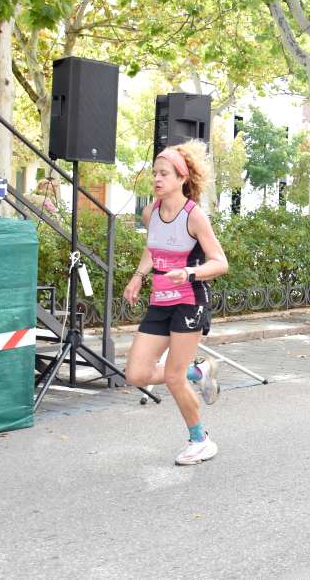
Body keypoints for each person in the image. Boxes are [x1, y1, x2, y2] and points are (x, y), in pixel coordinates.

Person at [123, 142, 228, 466]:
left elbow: (220, 262)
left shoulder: (193, 216)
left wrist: (190, 272)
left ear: (181, 178)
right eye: (155, 173)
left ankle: (200, 441)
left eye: (164, 173)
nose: (156, 179)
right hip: (160, 301)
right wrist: (139, 276)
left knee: (172, 377)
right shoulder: (150, 212)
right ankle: (199, 371)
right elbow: (153, 249)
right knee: (136, 374)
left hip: (189, 302)